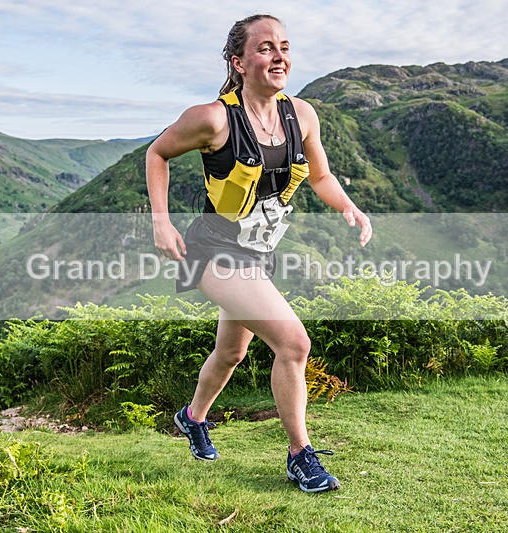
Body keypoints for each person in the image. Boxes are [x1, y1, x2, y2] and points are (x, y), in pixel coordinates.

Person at [145, 14, 371, 493]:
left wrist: (349, 207)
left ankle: (192, 417)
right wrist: (161, 223)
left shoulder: (302, 114)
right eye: (265, 48)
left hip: (258, 252)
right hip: (212, 248)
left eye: (284, 46)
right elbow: (157, 153)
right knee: (294, 343)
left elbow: (320, 176)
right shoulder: (212, 118)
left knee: (231, 351)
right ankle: (299, 454)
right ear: (239, 62)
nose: (279, 56)